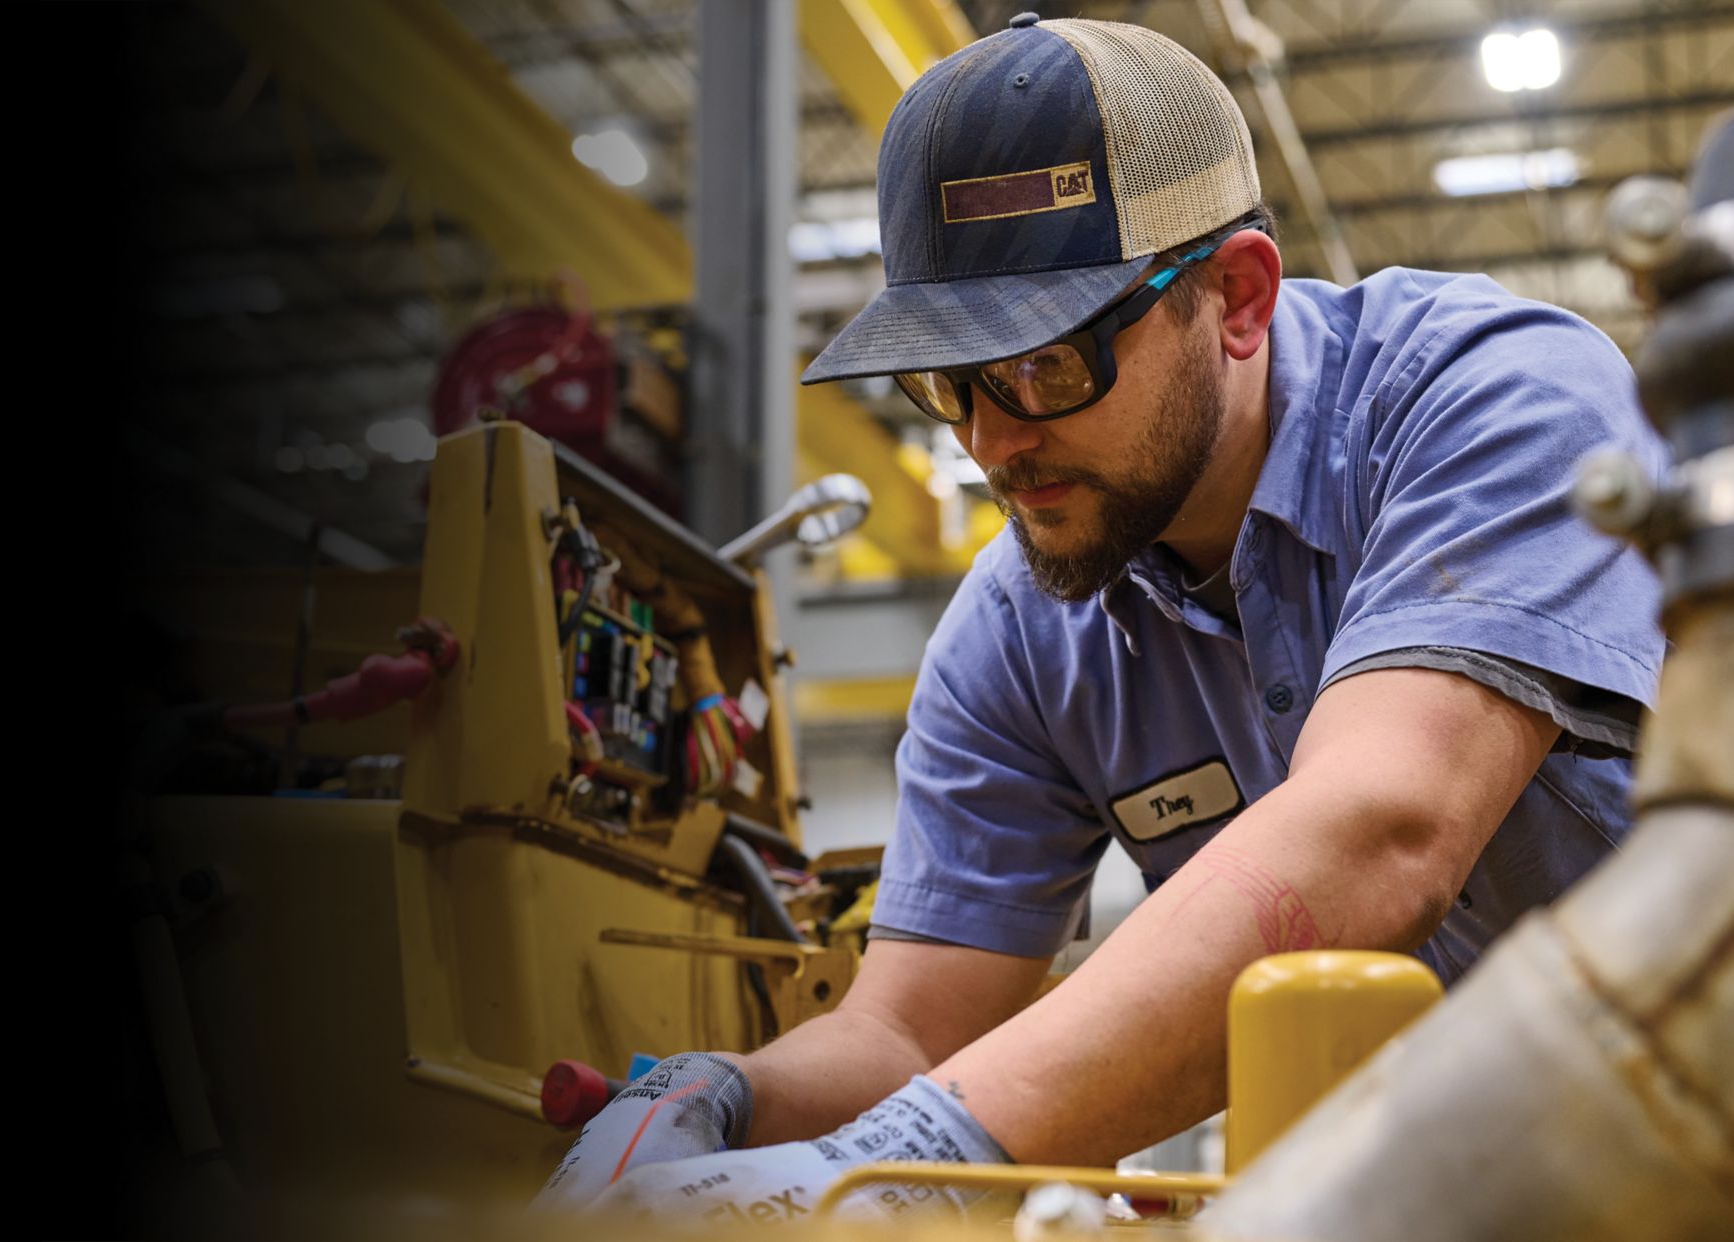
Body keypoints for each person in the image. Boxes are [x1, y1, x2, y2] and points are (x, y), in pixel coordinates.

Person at [531, 11, 1670, 1225]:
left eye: (1042, 367)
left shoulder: (1489, 401)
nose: (990, 443)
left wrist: (918, 1151)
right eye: (947, 385)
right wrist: (719, 1107)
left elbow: (1382, 830)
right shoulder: (1022, 630)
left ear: (1235, 297)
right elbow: (913, 1025)